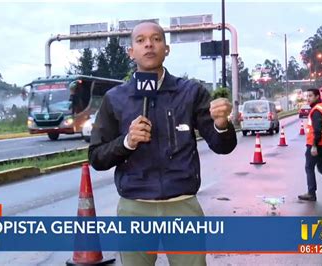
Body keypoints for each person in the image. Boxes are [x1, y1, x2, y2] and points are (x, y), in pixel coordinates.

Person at [88, 21, 237, 266]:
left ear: (166, 49)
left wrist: (222, 124)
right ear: (131, 52)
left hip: (183, 207)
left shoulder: (190, 92)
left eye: (156, 39)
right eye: (141, 40)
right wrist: (127, 142)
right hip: (134, 208)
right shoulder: (115, 99)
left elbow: (222, 145)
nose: (149, 44)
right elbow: (96, 157)